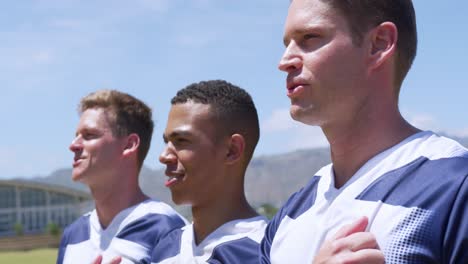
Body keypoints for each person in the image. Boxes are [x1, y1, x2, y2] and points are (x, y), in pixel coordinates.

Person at [260, 0, 468, 263]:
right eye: (286, 43)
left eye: (309, 37)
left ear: (378, 43)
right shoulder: (290, 214)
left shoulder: (454, 188)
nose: (284, 61)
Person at [57, 90, 186, 264]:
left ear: (129, 145)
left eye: (89, 135)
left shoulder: (168, 228)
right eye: (76, 136)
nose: (73, 145)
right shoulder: (73, 234)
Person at [150, 80, 268, 263]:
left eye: (181, 140)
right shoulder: (166, 247)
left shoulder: (266, 250)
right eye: (167, 142)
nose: (164, 156)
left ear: (232, 150)